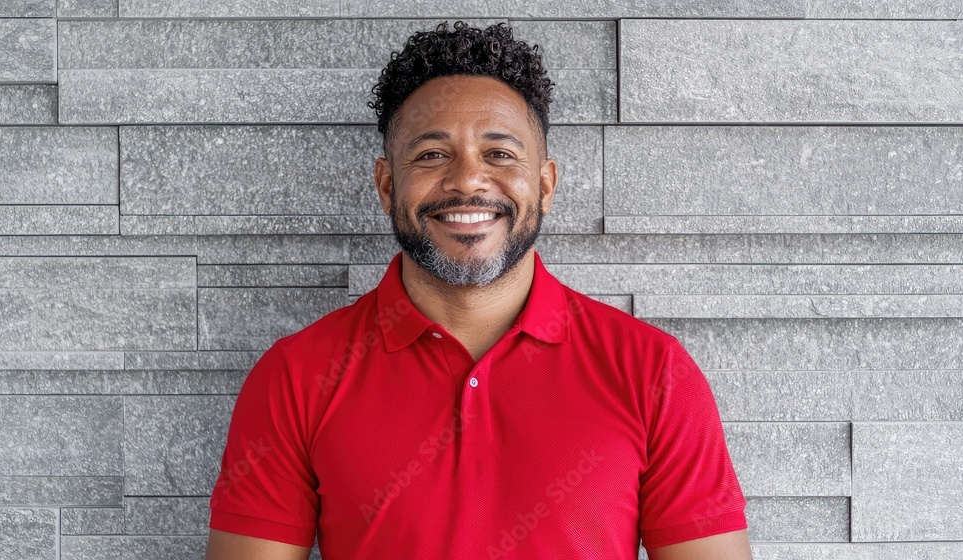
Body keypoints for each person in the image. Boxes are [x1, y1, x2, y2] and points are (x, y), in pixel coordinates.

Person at [205, 20, 752, 560]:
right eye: (432, 155)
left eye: (499, 153)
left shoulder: (653, 373)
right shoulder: (295, 378)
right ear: (387, 185)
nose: (468, 180)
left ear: (545, 184)